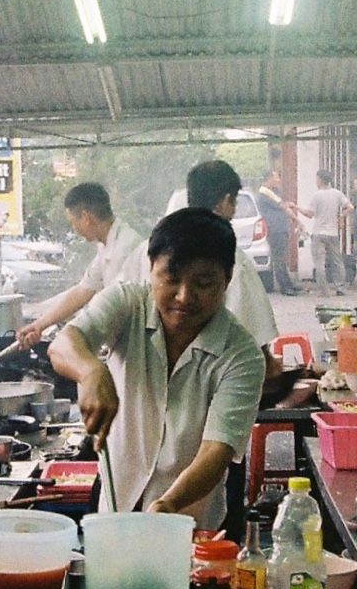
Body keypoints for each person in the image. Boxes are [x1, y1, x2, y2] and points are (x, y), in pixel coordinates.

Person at [50, 207, 265, 523]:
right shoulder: (127, 303)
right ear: (151, 268)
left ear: (228, 277)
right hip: (115, 510)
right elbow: (64, 344)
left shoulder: (242, 355)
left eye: (203, 283)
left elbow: (216, 451)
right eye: (171, 278)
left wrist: (168, 505)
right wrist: (91, 371)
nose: (184, 297)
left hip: (189, 522)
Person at [15, 182, 147, 345]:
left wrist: (72, 337)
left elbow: (113, 307)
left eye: (72, 222)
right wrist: (39, 325)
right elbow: (83, 291)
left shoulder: (125, 248)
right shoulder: (106, 245)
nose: (74, 229)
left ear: (86, 218)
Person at [181, 160, 278, 347]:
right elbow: (254, 340)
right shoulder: (232, 259)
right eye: (234, 202)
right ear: (225, 202)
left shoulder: (154, 249)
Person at [254, 167, 298, 296]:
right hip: (275, 229)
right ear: (269, 178)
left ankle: (288, 283)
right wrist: (294, 214)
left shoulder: (273, 191)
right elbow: (282, 206)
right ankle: (285, 287)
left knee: (281, 257)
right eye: (276, 177)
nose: (278, 180)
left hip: (279, 228)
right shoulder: (265, 193)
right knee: (279, 258)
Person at [302, 169, 347, 294]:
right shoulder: (338, 194)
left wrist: (297, 208)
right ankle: (340, 288)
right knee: (337, 261)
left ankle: (324, 290)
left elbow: (309, 214)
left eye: (316, 179)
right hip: (333, 234)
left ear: (320, 180)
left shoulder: (317, 195)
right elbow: (350, 207)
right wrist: (341, 217)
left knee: (319, 262)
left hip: (319, 234)